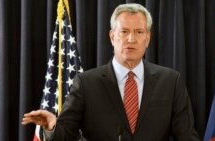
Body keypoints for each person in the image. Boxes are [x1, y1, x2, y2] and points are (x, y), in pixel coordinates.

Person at [22, 3, 201, 141]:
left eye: (139, 32)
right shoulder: (86, 83)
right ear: (112, 36)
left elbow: (186, 136)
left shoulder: (171, 81)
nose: (131, 39)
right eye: (124, 31)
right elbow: (66, 135)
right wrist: (51, 127)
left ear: (147, 38)